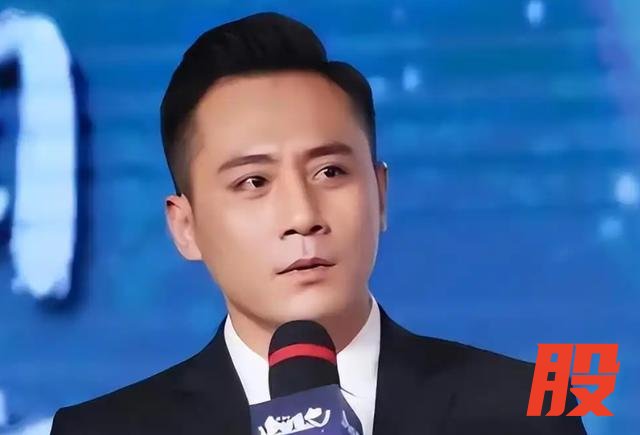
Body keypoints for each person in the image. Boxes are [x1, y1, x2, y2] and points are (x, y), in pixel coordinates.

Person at [50, 12, 586, 435]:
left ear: (380, 194)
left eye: (330, 172)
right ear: (185, 227)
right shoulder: (104, 429)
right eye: (254, 182)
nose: (302, 217)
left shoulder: (525, 410)